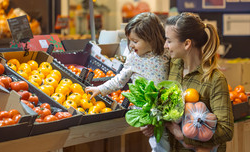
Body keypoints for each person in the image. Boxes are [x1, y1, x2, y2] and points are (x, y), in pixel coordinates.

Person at [141, 12, 234, 152]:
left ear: (187, 44)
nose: (165, 46)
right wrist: (154, 122)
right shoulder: (173, 66)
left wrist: (182, 136)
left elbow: (226, 131)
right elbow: (169, 109)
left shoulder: (214, 79)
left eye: (169, 41)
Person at [85, 12, 170, 152]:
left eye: (135, 41)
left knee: (166, 141)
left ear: (152, 39)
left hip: (165, 109)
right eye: (129, 40)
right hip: (146, 110)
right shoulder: (133, 58)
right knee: (159, 143)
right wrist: (100, 89)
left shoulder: (165, 54)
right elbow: (119, 80)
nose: (130, 45)